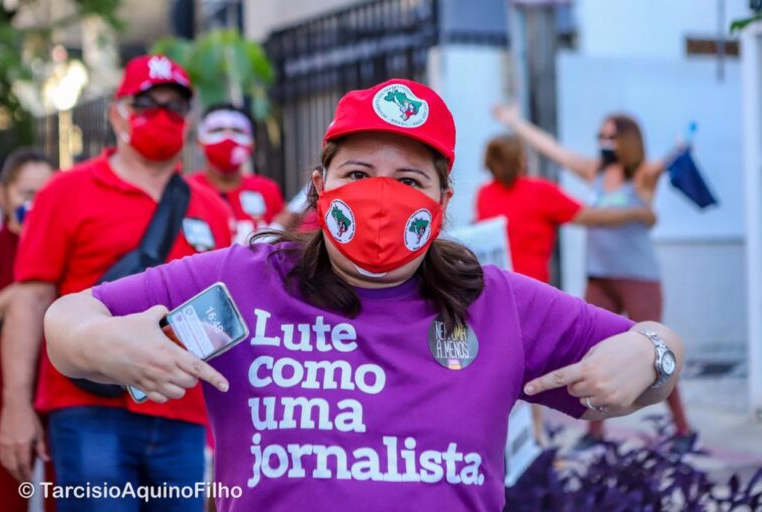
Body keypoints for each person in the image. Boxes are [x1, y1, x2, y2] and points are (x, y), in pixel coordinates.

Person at [44, 79, 684, 511]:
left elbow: (660, 352)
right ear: (319, 186)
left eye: (409, 179)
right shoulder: (244, 278)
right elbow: (68, 318)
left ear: (443, 202)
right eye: (358, 174)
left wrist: (649, 353)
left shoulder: (499, 302)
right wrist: (102, 341)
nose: (382, 197)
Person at [0, 55, 233, 512]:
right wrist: (16, 407)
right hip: (88, 410)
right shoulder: (65, 193)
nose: (162, 116)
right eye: (148, 103)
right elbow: (31, 304)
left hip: (182, 416)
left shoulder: (211, 208)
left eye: (175, 107)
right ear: (117, 113)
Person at [493, 104, 692, 450]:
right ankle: (595, 433)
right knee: (588, 350)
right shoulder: (595, 170)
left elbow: (666, 163)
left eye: (612, 136)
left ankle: (683, 430)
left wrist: (680, 148)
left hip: (637, 275)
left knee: (654, 352)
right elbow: (552, 149)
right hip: (598, 275)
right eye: (601, 135)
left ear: (628, 140)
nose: (604, 141)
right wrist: (515, 123)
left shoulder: (642, 174)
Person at [477, 134, 657, 284]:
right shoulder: (540, 191)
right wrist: (637, 212)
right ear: (521, 161)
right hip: (531, 287)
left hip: (495, 286)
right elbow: (594, 217)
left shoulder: (483, 194)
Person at [0, 148, 54, 512]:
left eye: (45, 195)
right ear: (2, 193)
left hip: (56, 391)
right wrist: (29, 290)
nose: (34, 204)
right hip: (2, 395)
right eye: (26, 193)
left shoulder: (61, 248)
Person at [190, 103, 286, 243]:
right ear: (199, 142)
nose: (228, 137)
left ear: (251, 144)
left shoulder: (267, 190)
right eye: (217, 130)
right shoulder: (185, 191)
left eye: (238, 131)